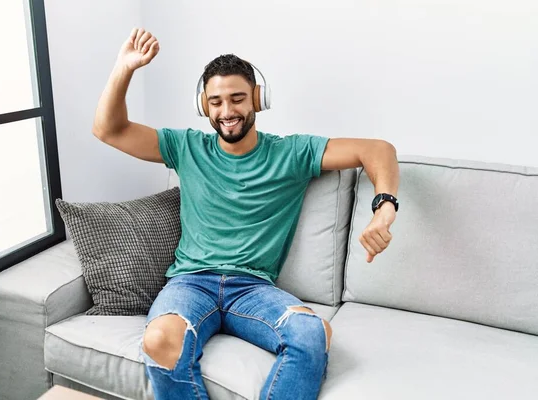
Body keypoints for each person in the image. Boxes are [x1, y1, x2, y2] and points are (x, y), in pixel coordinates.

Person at [93, 28, 400, 400]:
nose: (227, 112)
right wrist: (124, 68)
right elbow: (108, 129)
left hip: (252, 289)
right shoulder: (186, 147)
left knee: (313, 333)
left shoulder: (292, 153)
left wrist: (384, 210)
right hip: (190, 283)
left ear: (258, 97)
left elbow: (377, 149)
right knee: (159, 338)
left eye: (237, 99)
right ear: (204, 105)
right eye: (217, 102)